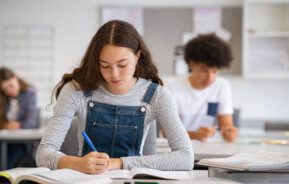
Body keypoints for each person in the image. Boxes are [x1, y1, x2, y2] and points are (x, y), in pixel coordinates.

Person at [36, 20, 194, 174]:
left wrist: (119, 163)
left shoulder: (157, 95)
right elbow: (43, 154)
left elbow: (186, 157)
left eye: (122, 65)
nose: (114, 74)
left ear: (137, 57)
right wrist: (76, 163)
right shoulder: (76, 90)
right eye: (104, 65)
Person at [168, 33, 237, 142]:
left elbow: (227, 125)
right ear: (191, 65)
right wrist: (194, 135)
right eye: (204, 70)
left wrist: (229, 133)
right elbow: (166, 132)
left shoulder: (222, 86)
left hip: (210, 149)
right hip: (180, 149)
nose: (210, 77)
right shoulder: (172, 88)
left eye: (215, 71)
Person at [0, 67, 37, 168]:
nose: (9, 91)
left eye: (11, 85)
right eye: (5, 89)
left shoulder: (29, 92)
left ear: (16, 78)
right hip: (3, 139)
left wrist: (17, 125)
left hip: (21, 142)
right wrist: (5, 125)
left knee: (7, 162)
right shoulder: (3, 97)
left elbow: (31, 122)